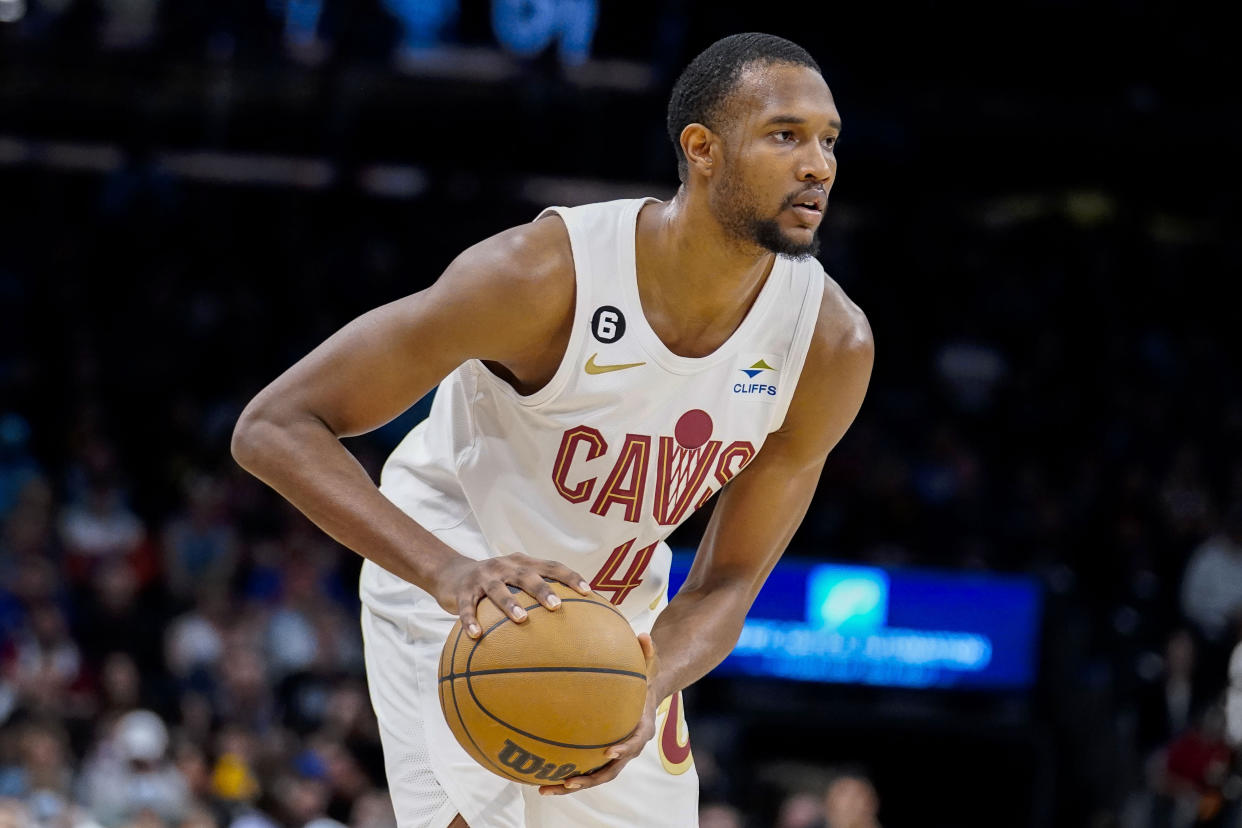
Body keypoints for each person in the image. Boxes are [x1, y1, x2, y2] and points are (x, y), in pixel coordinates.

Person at [231, 31, 873, 828]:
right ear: (703, 149)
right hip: (462, 569)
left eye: (829, 140)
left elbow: (727, 581)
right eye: (786, 135)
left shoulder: (828, 345)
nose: (819, 165)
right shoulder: (542, 275)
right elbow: (274, 426)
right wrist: (447, 572)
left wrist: (650, 676)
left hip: (614, 617)